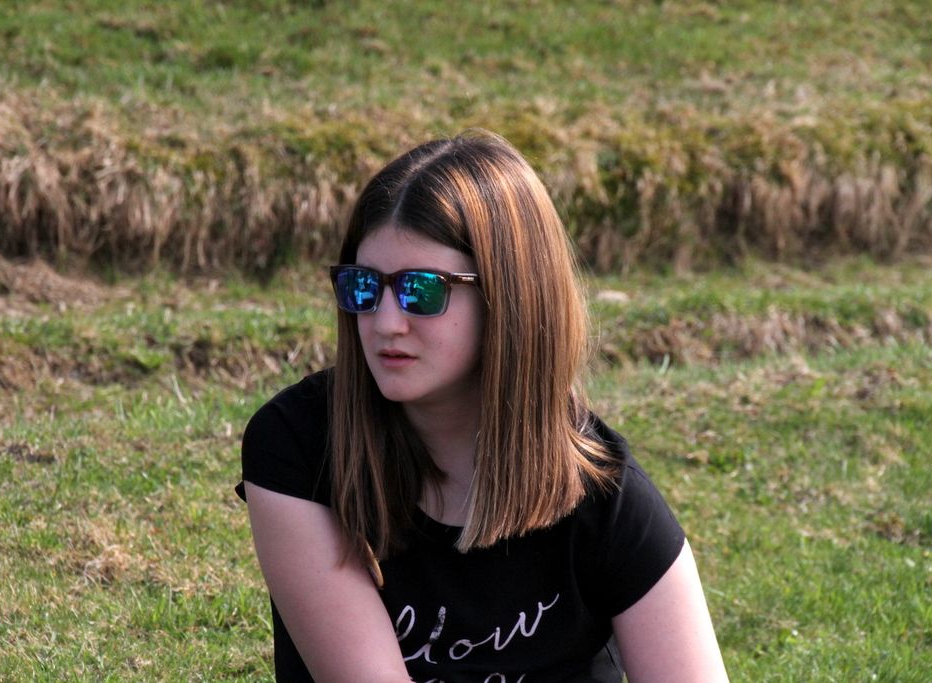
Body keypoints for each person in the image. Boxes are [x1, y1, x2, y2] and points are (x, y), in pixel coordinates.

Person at [235, 131, 729, 682]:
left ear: (508, 296)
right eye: (364, 287)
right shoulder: (301, 444)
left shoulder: (603, 496)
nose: (385, 322)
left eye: (422, 290)